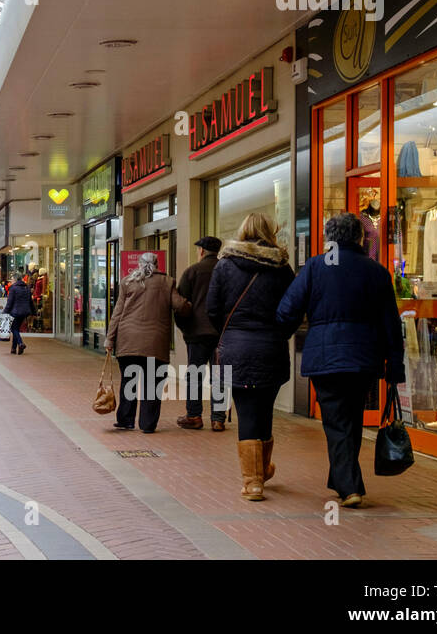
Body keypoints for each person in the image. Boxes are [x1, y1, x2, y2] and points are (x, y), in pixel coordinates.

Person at [276, 212, 405, 508]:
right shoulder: (375, 271)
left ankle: (350, 487)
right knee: (351, 419)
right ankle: (341, 480)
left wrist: (284, 331)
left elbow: (287, 310)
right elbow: (390, 323)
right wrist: (394, 365)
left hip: (326, 356)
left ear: (328, 239)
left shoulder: (315, 267)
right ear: (359, 238)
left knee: (336, 422)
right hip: (363, 358)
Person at [206, 214, 296, 501]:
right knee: (265, 409)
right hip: (271, 348)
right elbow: (293, 309)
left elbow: (212, 308)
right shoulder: (282, 268)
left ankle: (253, 480)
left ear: (242, 231)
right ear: (270, 233)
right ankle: (262, 470)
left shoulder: (225, 265)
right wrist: (281, 333)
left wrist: (229, 333)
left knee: (245, 410)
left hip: (236, 349)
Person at [106, 252, 187, 433]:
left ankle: (126, 420)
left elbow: (117, 313)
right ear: (157, 264)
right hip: (155, 343)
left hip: (128, 341)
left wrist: (109, 339)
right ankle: (147, 424)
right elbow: (180, 306)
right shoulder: (167, 282)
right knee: (152, 383)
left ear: (140, 264)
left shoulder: (127, 281)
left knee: (129, 381)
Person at [174, 236, 225, 431]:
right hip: (222, 334)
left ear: (202, 251)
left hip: (197, 334)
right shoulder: (227, 270)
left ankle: (194, 415)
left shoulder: (192, 272)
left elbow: (180, 305)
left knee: (195, 375)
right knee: (220, 375)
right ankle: (218, 418)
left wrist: (186, 329)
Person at [4, 270, 34, 354]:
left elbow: (9, 303)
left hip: (15, 312)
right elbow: (30, 301)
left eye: (12, 279)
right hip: (25, 312)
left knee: (14, 328)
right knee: (16, 328)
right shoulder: (26, 288)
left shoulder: (13, 288)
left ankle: (20, 343)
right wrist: (33, 311)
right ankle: (13, 349)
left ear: (16, 279)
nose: (11, 281)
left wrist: (5, 312)